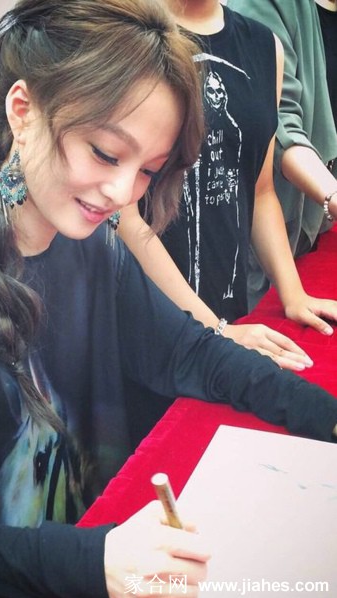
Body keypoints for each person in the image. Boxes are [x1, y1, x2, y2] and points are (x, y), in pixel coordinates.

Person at [0, 1, 337, 598]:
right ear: (23, 110)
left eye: (148, 170)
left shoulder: (95, 248)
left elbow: (193, 353)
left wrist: (324, 415)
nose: (123, 192)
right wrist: (89, 562)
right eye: (105, 153)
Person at [119, 0, 337, 378]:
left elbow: (260, 189)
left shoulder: (264, 46)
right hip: (148, 315)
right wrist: (213, 329)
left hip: (228, 305)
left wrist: (293, 293)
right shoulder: (132, 36)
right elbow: (124, 214)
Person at [227, 0, 337, 307]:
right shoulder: (263, 12)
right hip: (263, 234)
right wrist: (332, 195)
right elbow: (278, 124)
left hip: (316, 227)